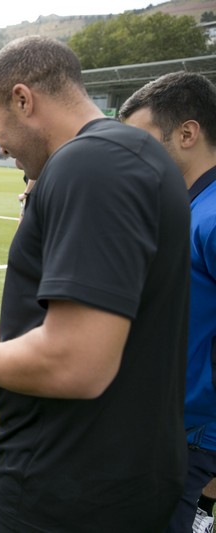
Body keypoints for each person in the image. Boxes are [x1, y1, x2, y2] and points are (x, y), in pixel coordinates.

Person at [0, 36, 190, 531]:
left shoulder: (89, 165)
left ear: (24, 99)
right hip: (117, 473)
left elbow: (76, 362)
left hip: (66, 483)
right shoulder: (137, 154)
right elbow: (108, 327)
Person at [119, 72, 216, 533]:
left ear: (187, 133)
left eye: (144, 142)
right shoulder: (189, 206)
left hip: (194, 430)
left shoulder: (212, 215)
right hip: (174, 423)